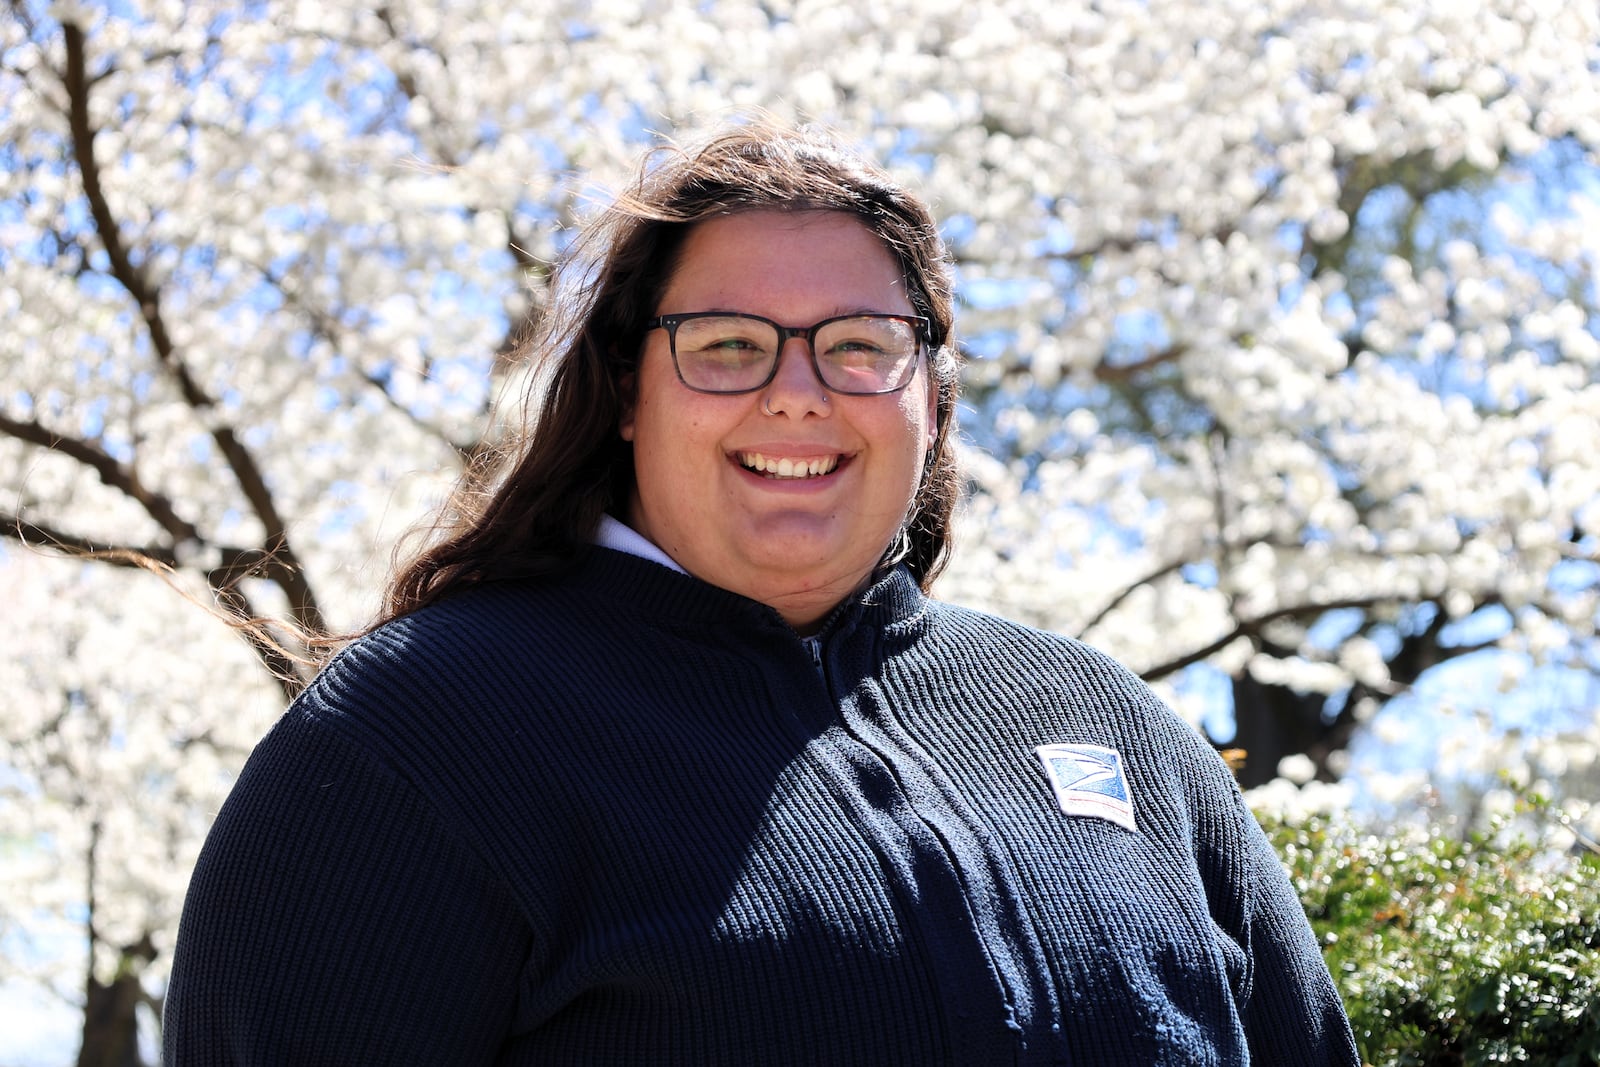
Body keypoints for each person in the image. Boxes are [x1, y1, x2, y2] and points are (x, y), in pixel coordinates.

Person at [164, 122, 1359, 1065]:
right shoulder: (414, 741)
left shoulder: (1115, 727)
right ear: (629, 392)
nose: (797, 393)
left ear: (931, 395)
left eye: (857, 344)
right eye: (729, 345)